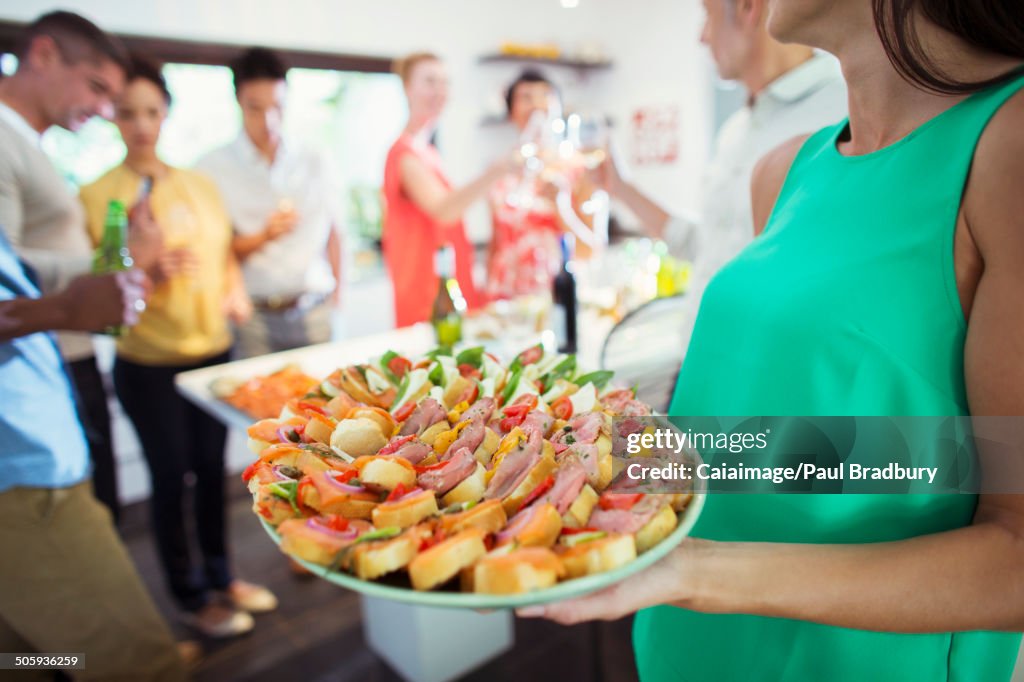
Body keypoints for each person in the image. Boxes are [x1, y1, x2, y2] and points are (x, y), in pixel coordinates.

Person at [521, 0, 1024, 680]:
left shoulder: (1006, 146)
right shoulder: (786, 170)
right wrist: (613, 452)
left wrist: (700, 571)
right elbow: (821, 443)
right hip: (687, 640)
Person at [79, 54, 276, 639]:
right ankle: (191, 598)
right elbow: (100, 297)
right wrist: (148, 273)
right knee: (171, 480)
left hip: (213, 354)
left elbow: (225, 258)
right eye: (127, 113)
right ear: (112, 118)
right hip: (148, 365)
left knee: (213, 472)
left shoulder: (198, 185)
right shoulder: (100, 197)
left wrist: (234, 288)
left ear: (166, 114)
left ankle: (223, 575)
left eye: (152, 112)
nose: (141, 124)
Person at [595, 0, 846, 348]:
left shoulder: (842, 110)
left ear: (748, 8)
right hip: (699, 361)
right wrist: (619, 188)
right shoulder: (736, 130)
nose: (701, 37)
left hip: (760, 376)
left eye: (706, 16)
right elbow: (710, 246)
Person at [0, 222, 191, 679]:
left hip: (31, 458)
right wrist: (61, 309)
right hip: (24, 485)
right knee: (141, 666)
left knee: (25, 659)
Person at [0, 10, 159, 523]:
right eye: (96, 88)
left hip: (62, 349)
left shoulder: (29, 142)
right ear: (43, 55)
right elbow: (9, 266)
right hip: (39, 361)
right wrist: (110, 266)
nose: (103, 109)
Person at [196, 47, 343, 358]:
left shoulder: (315, 159)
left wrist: (338, 296)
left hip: (314, 308)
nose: (269, 120)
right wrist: (265, 235)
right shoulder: (211, 168)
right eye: (255, 108)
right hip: (253, 317)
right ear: (238, 102)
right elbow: (216, 250)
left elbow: (333, 232)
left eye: (278, 107)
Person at [383, 52, 513, 327]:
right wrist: (496, 172)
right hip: (426, 295)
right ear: (407, 88)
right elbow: (444, 210)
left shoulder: (427, 151)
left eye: (445, 83)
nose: (440, 91)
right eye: (430, 81)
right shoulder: (404, 153)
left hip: (447, 287)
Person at [486, 70, 599, 300]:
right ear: (511, 112)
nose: (537, 104)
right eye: (526, 97)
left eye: (546, 95)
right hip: (505, 299)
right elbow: (496, 243)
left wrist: (560, 207)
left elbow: (592, 251)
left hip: (557, 297)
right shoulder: (500, 173)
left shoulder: (579, 169)